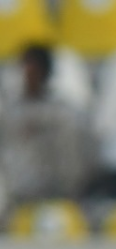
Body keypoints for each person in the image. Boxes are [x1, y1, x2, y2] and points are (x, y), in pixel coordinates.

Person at [0, 44, 94, 204]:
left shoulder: (65, 112)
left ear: (45, 72)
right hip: (18, 198)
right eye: (24, 68)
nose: (27, 74)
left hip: (60, 195)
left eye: (33, 69)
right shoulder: (8, 113)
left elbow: (76, 160)